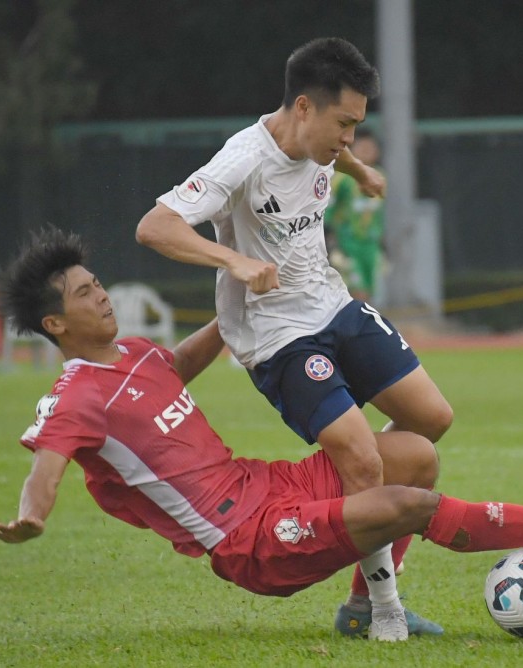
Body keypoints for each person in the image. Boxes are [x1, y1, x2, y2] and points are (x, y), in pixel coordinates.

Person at [0, 228, 523, 642]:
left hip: (269, 485)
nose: (102, 295)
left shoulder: (134, 352)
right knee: (407, 506)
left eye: (98, 283)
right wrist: (30, 517)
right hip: (248, 540)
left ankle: (364, 611)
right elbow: (47, 464)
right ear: (55, 324)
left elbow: (178, 365)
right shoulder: (76, 394)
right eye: (84, 293)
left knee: (413, 457)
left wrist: (242, 297)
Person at [135, 37, 454, 638]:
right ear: (303, 107)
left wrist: (359, 169)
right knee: (362, 458)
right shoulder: (242, 160)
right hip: (279, 337)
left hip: (335, 304)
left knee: (431, 420)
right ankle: (379, 611)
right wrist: (231, 260)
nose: (349, 139)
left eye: (358, 127)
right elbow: (155, 227)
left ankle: (354, 495)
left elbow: (334, 157)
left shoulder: (324, 143)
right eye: (344, 124)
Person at [325, 132, 387, 302]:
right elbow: (328, 209)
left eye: (371, 148)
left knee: (369, 291)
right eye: (362, 147)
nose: (367, 151)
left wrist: (382, 241)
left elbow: (379, 214)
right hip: (348, 245)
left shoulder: (380, 176)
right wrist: (331, 239)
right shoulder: (341, 179)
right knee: (356, 292)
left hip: (371, 245)